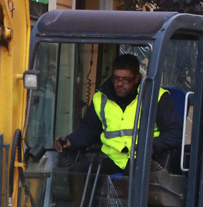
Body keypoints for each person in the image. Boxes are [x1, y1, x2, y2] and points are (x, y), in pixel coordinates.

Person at [54, 53, 183, 175]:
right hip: (111, 159)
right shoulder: (100, 98)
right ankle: (79, 199)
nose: (120, 84)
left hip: (144, 161)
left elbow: (175, 132)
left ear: (137, 78)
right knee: (78, 171)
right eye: (116, 79)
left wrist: (152, 146)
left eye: (126, 80)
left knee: (134, 180)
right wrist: (71, 141)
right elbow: (89, 130)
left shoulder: (155, 96)